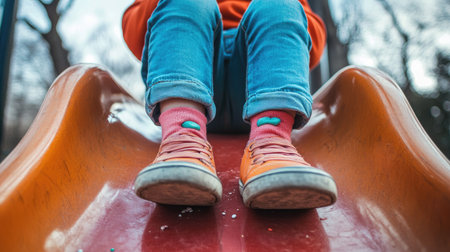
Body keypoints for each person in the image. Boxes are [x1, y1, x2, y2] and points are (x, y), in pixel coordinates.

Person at [122, 0, 337, 209]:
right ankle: (182, 139)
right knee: (186, 3)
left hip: (259, 89)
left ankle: (272, 141)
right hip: (192, 86)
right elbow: (136, 34)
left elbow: (311, 42)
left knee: (278, 6)